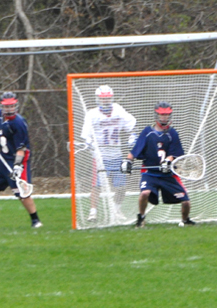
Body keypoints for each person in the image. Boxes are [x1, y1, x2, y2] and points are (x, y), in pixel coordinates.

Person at [121, 101, 194, 228]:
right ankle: (141, 218)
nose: (164, 118)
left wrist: (168, 161)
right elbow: (134, 151)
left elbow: (175, 154)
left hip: (168, 174)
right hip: (150, 173)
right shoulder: (147, 132)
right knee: (145, 193)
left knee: (186, 202)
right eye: (162, 115)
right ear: (156, 115)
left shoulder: (172, 133)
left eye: (167, 115)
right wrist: (127, 161)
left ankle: (186, 220)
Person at [0, 92, 42, 229]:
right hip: (2, 159)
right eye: (6, 107)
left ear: (16, 105)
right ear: (2, 107)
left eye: (12, 106)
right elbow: (3, 133)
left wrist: (18, 166)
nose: (9, 109)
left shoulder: (18, 123)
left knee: (21, 192)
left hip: (17, 159)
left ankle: (35, 220)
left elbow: (21, 149)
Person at [81, 85, 136, 221]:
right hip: (100, 156)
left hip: (116, 154)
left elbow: (132, 124)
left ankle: (117, 209)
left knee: (121, 186)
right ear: (97, 99)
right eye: (102, 99)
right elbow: (85, 135)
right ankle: (93, 212)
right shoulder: (92, 114)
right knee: (96, 185)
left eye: (107, 99)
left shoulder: (118, 110)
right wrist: (90, 143)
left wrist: (132, 135)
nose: (105, 102)